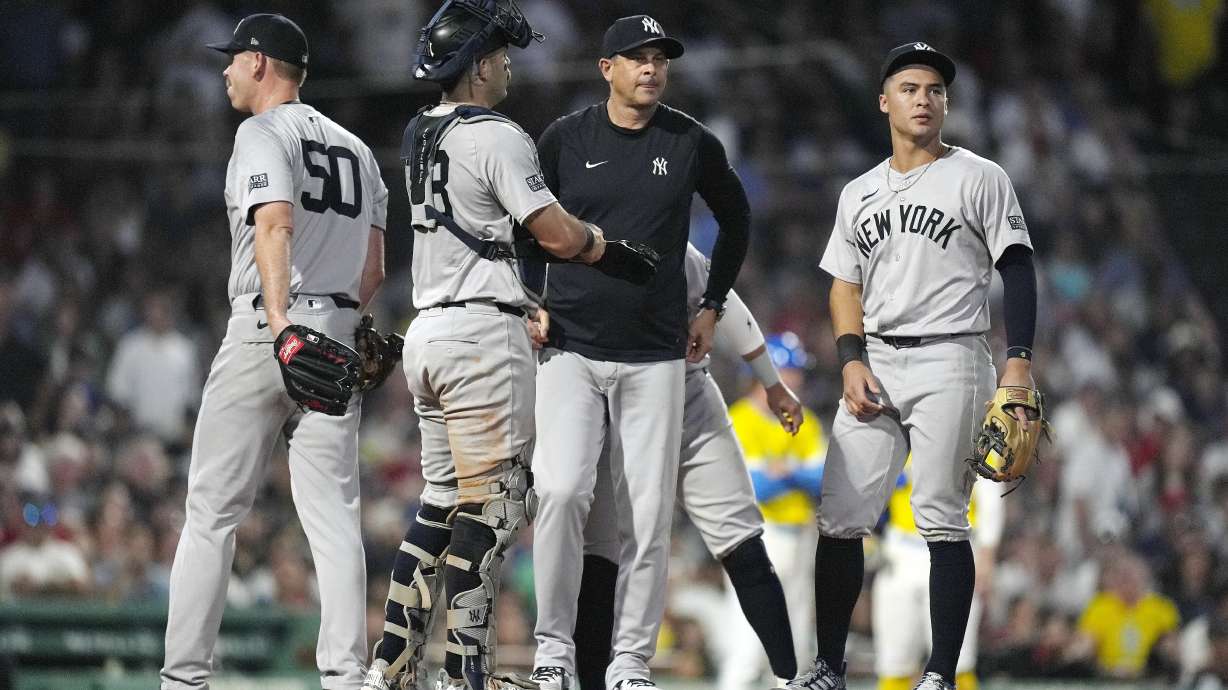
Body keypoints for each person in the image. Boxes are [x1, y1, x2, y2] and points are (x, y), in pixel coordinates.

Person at [361, 2, 607, 689]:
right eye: (498, 53)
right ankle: (467, 674)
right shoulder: (497, 133)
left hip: (430, 330)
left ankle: (392, 667)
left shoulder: (419, 130)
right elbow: (555, 233)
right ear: (475, 66)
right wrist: (607, 246)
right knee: (495, 507)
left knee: (441, 503)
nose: (506, 63)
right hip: (479, 337)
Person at [789, 42, 1040, 690]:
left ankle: (940, 675)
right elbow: (843, 285)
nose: (923, 98)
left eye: (934, 89)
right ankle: (830, 667)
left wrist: (1018, 361)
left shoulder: (979, 176)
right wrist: (849, 361)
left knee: (940, 514)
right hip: (875, 360)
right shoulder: (860, 191)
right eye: (909, 87)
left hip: (952, 355)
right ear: (884, 101)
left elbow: (1017, 266)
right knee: (840, 516)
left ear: (946, 103)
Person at [161, 14, 388, 690]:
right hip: (340, 330)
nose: (226, 70)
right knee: (334, 518)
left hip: (272, 325)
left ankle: (184, 679)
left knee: (211, 513)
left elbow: (274, 222)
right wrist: (343, 325)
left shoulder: (261, 131)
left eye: (234, 59)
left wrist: (284, 321)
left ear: (261, 63)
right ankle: (346, 676)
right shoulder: (360, 149)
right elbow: (373, 268)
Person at [529, 15, 751, 690]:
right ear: (607, 70)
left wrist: (711, 304)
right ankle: (553, 650)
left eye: (660, 58)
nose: (651, 68)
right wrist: (525, 297)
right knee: (562, 491)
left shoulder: (689, 141)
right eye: (636, 57)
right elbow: (522, 223)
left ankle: (630, 661)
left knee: (650, 516)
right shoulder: (566, 139)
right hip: (569, 346)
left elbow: (736, 216)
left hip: (655, 355)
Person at [569, 243, 801, 690]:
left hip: (686, 391)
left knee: (742, 541)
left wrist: (772, 384)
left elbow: (725, 302)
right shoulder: (570, 239)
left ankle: (789, 678)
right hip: (607, 404)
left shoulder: (667, 238)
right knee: (601, 555)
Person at [722, 332, 826, 690]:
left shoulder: (805, 420)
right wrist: (794, 474)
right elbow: (753, 485)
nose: (796, 379)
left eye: (798, 372)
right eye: (790, 370)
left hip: (800, 538)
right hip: (756, 539)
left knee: (796, 649)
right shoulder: (738, 418)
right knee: (747, 646)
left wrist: (787, 472)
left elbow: (822, 479)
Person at [871, 464, 1004, 690]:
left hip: (955, 547)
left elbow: (991, 496)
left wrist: (987, 553)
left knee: (959, 664)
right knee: (895, 665)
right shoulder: (898, 431)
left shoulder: (972, 429)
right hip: (900, 551)